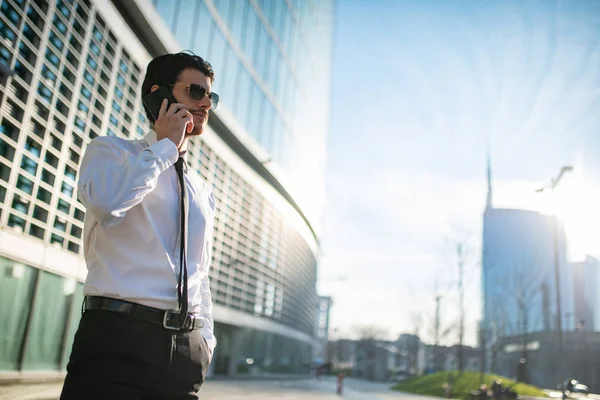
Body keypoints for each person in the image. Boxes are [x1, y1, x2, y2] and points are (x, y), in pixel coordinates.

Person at [60, 51, 219, 400]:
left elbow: (199, 271)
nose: (206, 103)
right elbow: (108, 203)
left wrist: (205, 338)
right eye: (196, 91)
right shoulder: (112, 151)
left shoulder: (202, 189)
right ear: (158, 95)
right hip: (117, 340)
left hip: (184, 352)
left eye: (211, 96)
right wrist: (164, 148)